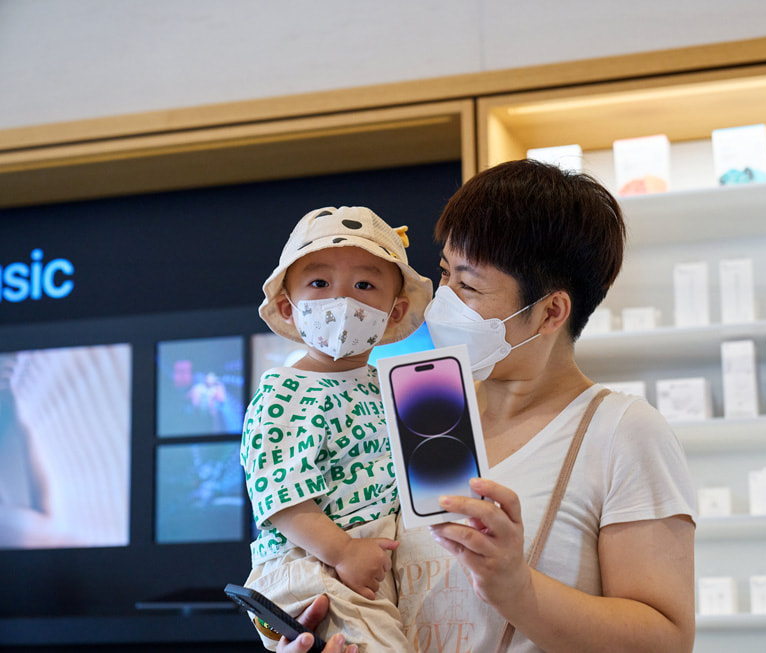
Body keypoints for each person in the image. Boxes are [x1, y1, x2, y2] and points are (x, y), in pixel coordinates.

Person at [281, 159, 698, 653]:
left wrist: (516, 589)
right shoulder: (408, 403)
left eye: (470, 286)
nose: (443, 301)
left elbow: (666, 640)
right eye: (444, 274)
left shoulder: (622, 432)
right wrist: (309, 627)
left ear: (550, 312)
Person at [240, 206, 431, 652]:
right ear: (288, 308)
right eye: (320, 283)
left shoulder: (385, 389)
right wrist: (343, 552)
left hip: (359, 564)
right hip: (314, 561)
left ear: (394, 310)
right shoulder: (284, 393)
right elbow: (281, 494)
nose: (343, 300)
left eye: (365, 285)